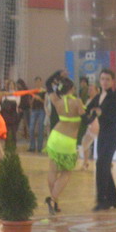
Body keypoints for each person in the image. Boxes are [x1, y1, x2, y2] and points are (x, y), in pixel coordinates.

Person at [45, 76, 84, 215]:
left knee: (52, 170)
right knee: (66, 172)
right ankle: (52, 199)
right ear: (72, 88)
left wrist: (57, 75)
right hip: (68, 141)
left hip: (55, 137)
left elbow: (48, 84)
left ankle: (55, 202)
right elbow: (85, 117)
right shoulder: (77, 101)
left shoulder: (56, 100)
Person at [86, 69, 116, 211]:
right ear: (99, 81)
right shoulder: (98, 97)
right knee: (103, 165)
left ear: (112, 81)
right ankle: (113, 197)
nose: (105, 81)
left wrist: (100, 113)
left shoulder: (115, 97)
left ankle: (102, 200)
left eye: (108, 79)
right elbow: (88, 110)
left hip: (112, 136)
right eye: (102, 79)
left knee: (101, 164)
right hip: (102, 135)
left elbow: (113, 117)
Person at [80, 82, 100, 170]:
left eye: (91, 90)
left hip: (96, 124)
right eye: (89, 89)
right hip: (91, 124)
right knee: (85, 142)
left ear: (97, 91)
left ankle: (85, 162)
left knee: (86, 142)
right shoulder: (89, 100)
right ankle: (86, 162)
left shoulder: (99, 101)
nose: (89, 91)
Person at [28, 76, 46, 153]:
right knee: (31, 128)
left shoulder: (44, 91)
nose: (38, 83)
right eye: (36, 82)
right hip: (34, 110)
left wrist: (40, 99)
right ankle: (32, 146)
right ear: (35, 83)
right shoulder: (32, 91)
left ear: (41, 82)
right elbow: (30, 103)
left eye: (39, 82)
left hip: (41, 110)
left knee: (40, 128)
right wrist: (33, 98)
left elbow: (46, 102)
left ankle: (39, 147)